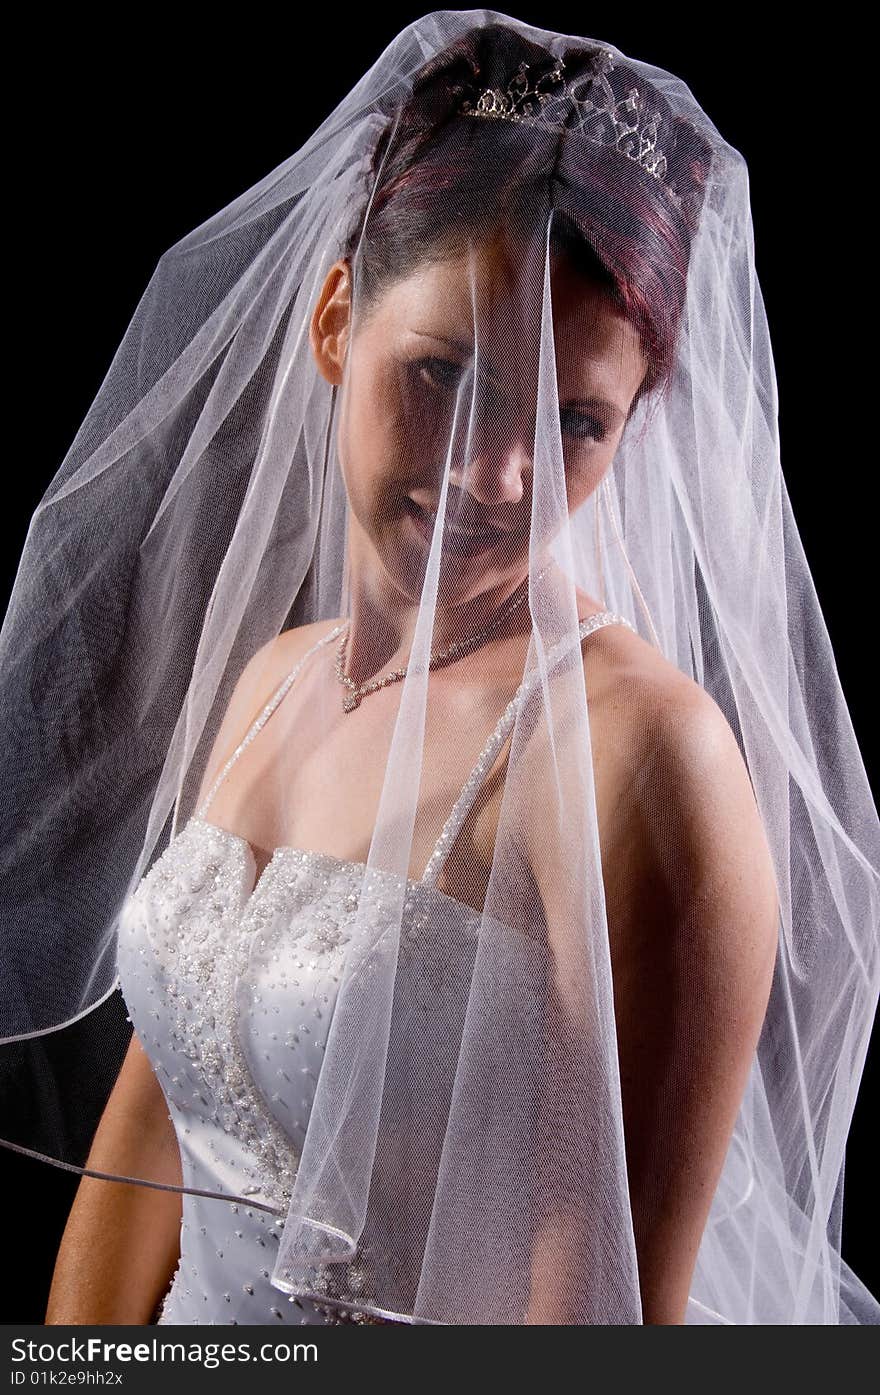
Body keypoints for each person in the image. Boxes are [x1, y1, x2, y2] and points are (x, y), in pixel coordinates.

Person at [2, 10, 878, 1326]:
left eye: (576, 421)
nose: (501, 478)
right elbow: (150, 1147)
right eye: (446, 373)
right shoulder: (276, 686)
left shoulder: (644, 757)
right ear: (338, 318)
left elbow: (603, 1312)